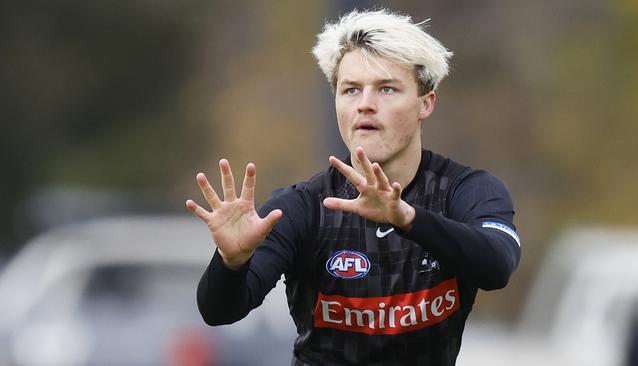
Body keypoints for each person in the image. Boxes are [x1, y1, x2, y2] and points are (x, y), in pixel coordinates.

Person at [186, 9, 521, 366]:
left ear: (426, 102)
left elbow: (496, 266)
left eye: (387, 88)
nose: (364, 104)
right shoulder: (304, 207)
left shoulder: (465, 191)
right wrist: (231, 263)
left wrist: (407, 218)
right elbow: (219, 311)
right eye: (351, 90)